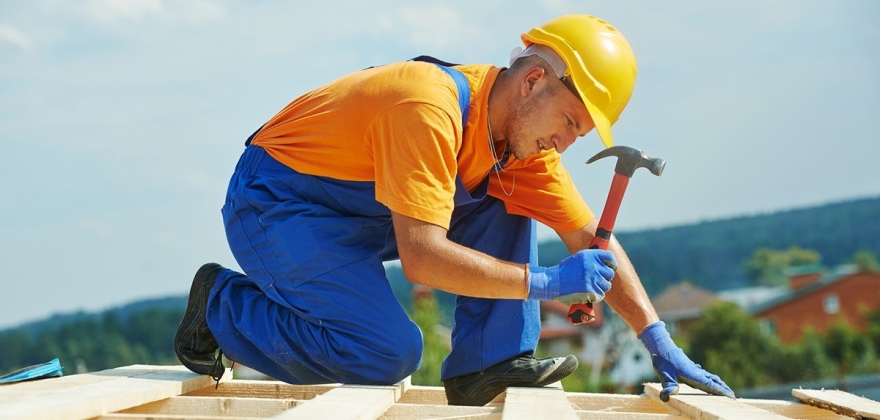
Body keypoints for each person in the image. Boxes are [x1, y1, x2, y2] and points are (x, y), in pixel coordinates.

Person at [173, 14, 735, 406]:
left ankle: (486, 365)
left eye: (580, 135)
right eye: (568, 123)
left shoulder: (520, 144)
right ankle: (220, 307)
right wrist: (545, 281)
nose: (565, 143)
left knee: (506, 196)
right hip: (278, 204)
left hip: (360, 211)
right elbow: (421, 258)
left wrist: (656, 338)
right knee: (386, 354)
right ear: (533, 81)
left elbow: (592, 241)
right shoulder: (426, 106)